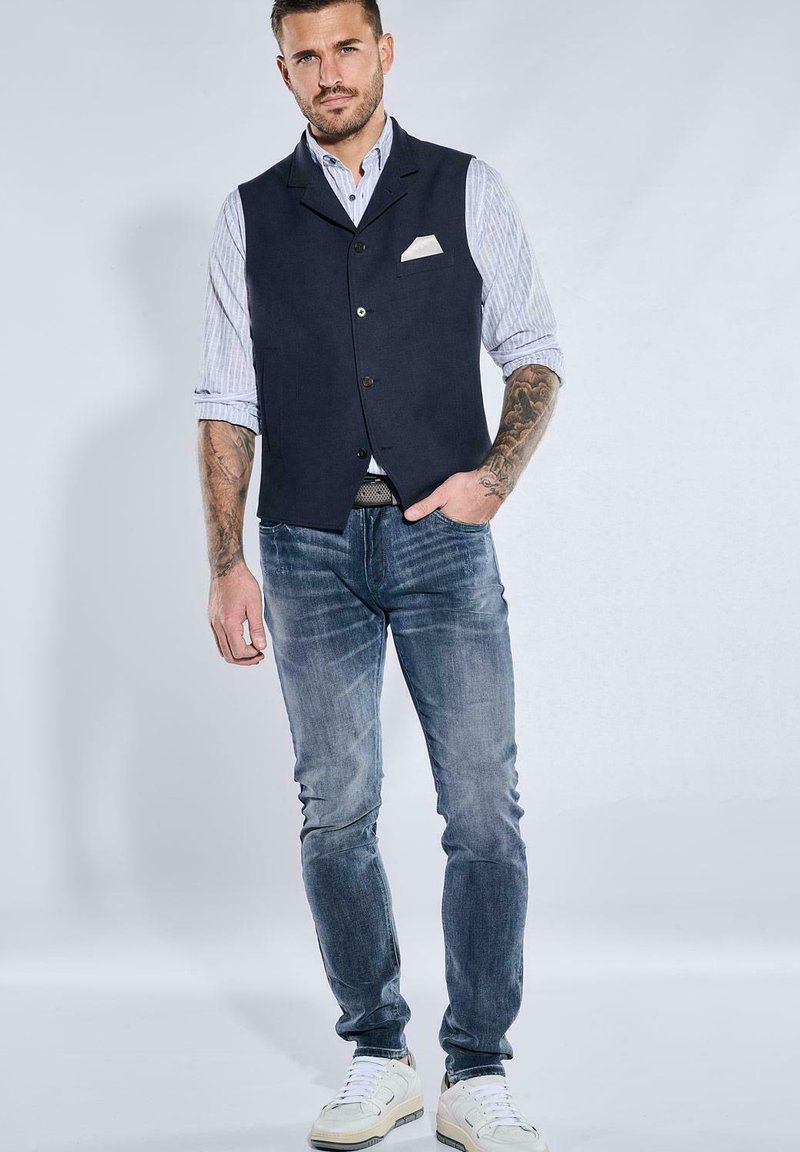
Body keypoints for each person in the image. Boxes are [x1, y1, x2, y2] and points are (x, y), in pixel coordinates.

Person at [194, 1, 564, 1148]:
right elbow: (226, 398)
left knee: (482, 806)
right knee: (335, 807)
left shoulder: (462, 187)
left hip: (442, 539)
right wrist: (226, 561)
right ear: (283, 70)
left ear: (383, 52)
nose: (328, 72)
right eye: (304, 55)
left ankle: (477, 1069)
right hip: (304, 546)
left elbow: (531, 351)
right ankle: (378, 1053)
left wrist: (493, 478)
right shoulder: (251, 212)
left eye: (345, 48)